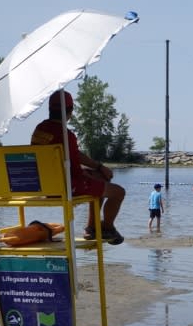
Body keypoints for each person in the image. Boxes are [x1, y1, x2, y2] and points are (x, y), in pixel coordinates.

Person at [31, 90, 125, 245]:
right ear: (69, 112)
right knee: (118, 192)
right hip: (65, 187)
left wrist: (98, 169)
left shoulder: (39, 129)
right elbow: (76, 171)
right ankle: (107, 228)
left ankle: (91, 228)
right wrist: (95, 176)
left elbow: (74, 156)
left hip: (44, 186)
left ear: (50, 110)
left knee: (100, 179)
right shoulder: (66, 135)